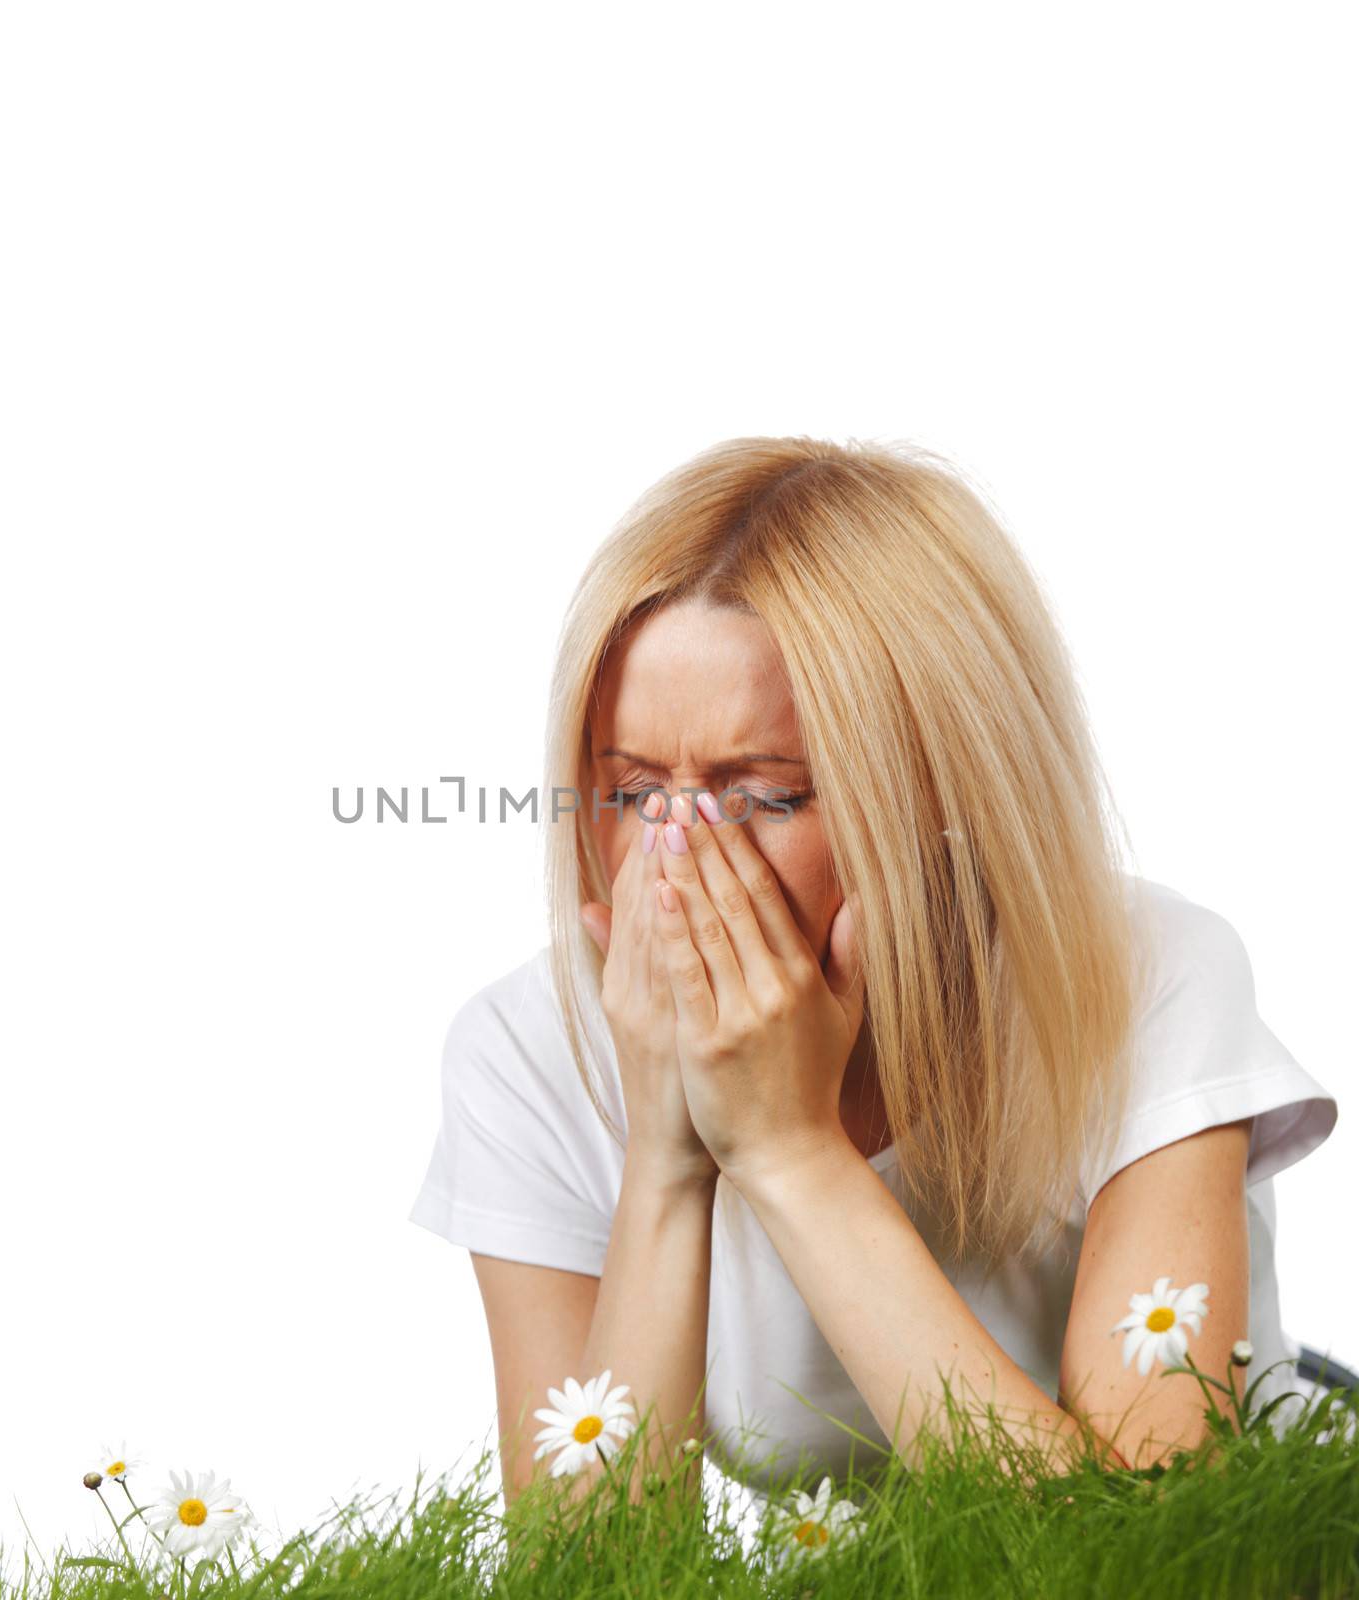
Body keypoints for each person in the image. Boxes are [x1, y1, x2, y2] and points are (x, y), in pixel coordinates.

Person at [406, 436, 1339, 1511]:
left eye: (758, 795)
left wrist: (788, 1149)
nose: (676, 858)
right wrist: (666, 1159)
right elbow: (584, 1583)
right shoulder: (524, 1053)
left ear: (940, 798)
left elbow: (1138, 1549)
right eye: (631, 790)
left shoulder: (1151, 977)